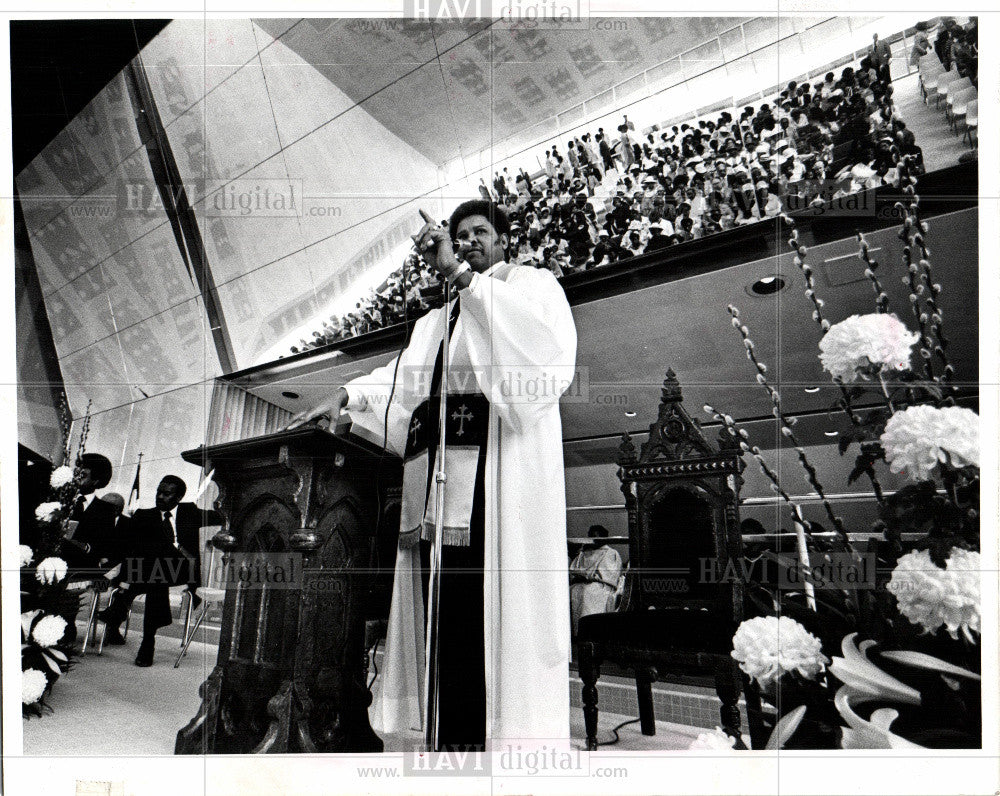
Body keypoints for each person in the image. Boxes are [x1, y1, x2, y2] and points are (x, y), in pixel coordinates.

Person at [288, 200, 577, 750]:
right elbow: (398, 382)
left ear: (503, 240)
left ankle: (504, 745)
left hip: (500, 483)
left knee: (491, 610)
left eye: (480, 233)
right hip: (440, 496)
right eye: (461, 234)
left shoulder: (531, 287)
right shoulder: (434, 321)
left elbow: (542, 360)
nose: (468, 241)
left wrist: (462, 278)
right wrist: (346, 396)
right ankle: (447, 739)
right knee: (441, 611)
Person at [98, 476, 218, 666]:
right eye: (158, 492)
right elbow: (129, 548)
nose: (160, 496)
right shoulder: (143, 515)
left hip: (182, 568)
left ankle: (118, 609)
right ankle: (148, 643)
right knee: (155, 575)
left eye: (167, 494)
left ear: (178, 497)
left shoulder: (191, 512)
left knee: (153, 569)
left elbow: (222, 515)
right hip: (152, 571)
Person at [568, 526, 623, 635]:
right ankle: (574, 634)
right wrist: (579, 576)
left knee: (588, 592)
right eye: (590, 535)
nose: (591, 539)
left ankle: (589, 633)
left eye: (595, 536)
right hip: (580, 584)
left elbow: (607, 576)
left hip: (600, 586)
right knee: (571, 591)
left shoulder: (611, 553)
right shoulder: (584, 552)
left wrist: (586, 576)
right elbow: (573, 570)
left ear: (603, 537)